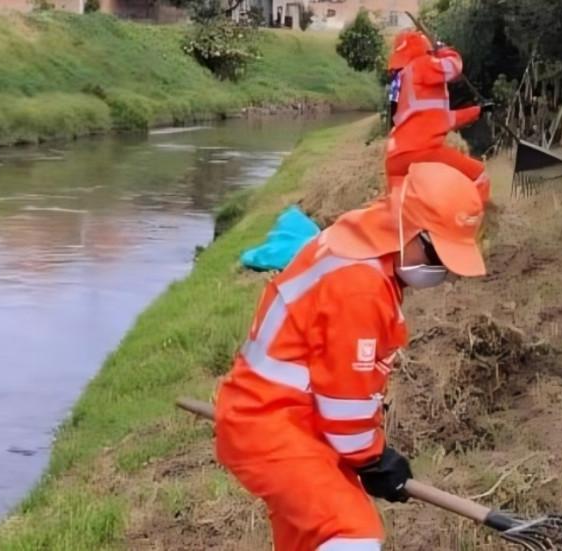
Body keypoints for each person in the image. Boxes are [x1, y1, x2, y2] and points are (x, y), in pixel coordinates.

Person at [214, 162, 488, 551]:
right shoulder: (360, 286)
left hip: (283, 420)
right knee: (352, 537)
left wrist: (368, 458)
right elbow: (345, 402)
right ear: (409, 228)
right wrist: (374, 460)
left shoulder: (364, 237)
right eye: (438, 256)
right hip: (274, 427)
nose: (441, 271)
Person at [384, 30, 493, 203]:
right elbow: (453, 67)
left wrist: (479, 111)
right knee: (479, 175)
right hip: (422, 151)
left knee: (401, 207)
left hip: (395, 158)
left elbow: (442, 121)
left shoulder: (402, 80)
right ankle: (472, 223)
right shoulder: (421, 64)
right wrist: (445, 50)